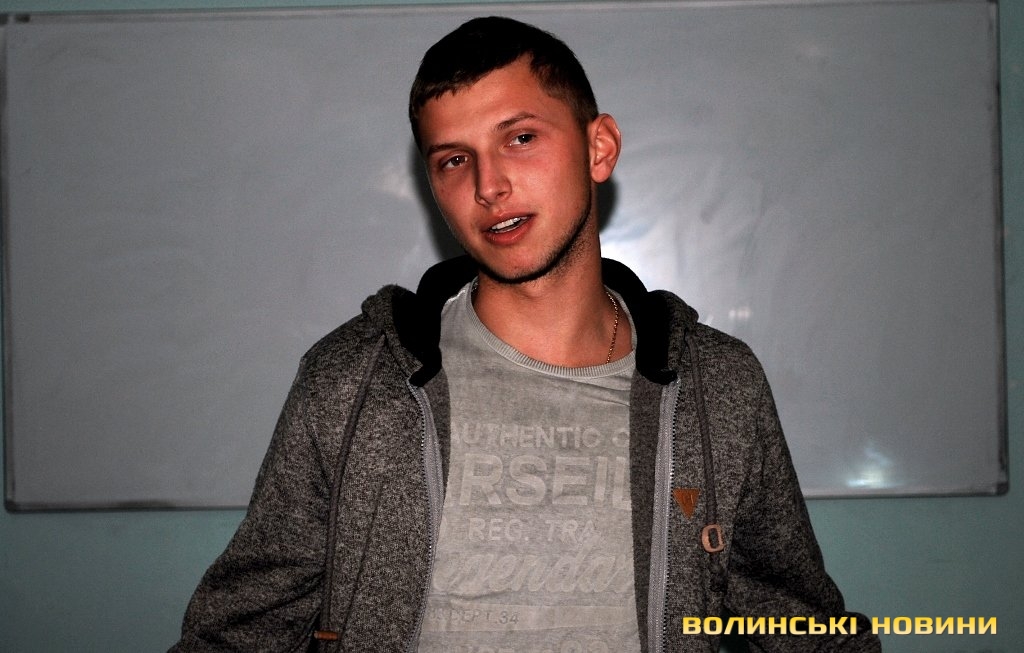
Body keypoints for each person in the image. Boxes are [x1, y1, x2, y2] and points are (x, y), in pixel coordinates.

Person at [172, 16, 880, 653]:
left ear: (599, 147)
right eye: (454, 159)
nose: (489, 185)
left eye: (520, 138)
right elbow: (238, 632)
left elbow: (799, 627)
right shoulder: (352, 380)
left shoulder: (718, 385)